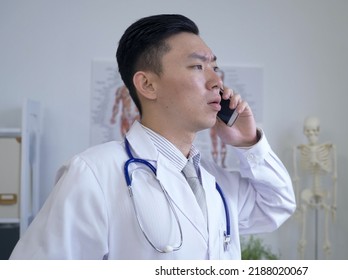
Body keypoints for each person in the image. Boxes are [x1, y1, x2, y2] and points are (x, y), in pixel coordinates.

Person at [9, 14, 296, 260]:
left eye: (214, 67)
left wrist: (248, 143)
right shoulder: (92, 174)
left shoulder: (215, 182)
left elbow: (277, 205)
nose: (217, 82)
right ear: (147, 84)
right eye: (198, 66)